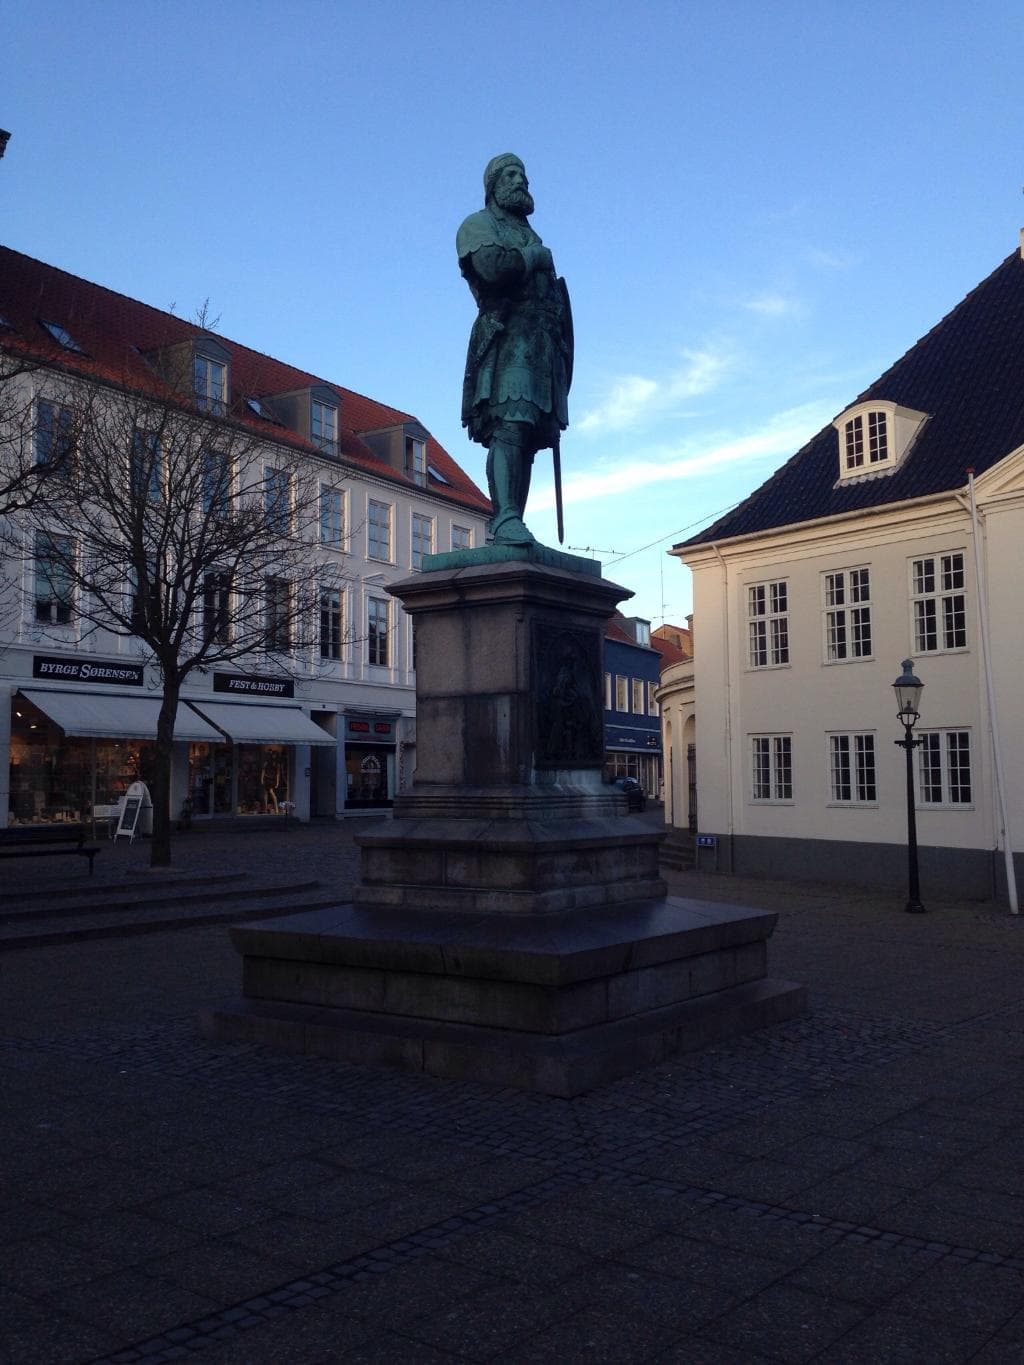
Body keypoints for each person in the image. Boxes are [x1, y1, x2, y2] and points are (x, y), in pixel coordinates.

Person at [457, 154, 572, 545]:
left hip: (541, 345)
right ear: (493, 185)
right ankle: (505, 516)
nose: (521, 180)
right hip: (507, 336)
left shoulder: (529, 232)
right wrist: (531, 258)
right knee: (510, 423)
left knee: (531, 433)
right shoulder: (478, 225)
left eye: (523, 174)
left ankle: (514, 520)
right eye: (510, 174)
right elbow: (492, 269)